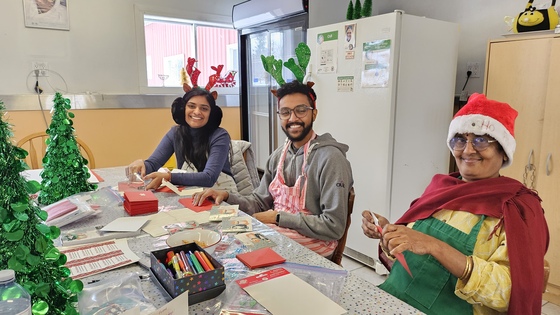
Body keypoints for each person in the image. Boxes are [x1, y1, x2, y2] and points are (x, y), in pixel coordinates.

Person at [361, 93, 549, 315]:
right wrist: (389, 235)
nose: (468, 150)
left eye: (481, 140)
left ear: (503, 149)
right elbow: (410, 256)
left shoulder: (518, 208)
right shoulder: (440, 189)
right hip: (396, 299)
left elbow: (512, 294)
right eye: (460, 139)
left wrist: (436, 246)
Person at [193, 80, 353, 258]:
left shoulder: (331, 159)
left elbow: (333, 227)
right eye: (285, 112)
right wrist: (227, 196)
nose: (292, 118)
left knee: (234, 251)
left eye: (301, 110)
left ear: (314, 113)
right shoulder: (279, 156)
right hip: (279, 233)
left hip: (315, 246)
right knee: (218, 239)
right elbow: (259, 203)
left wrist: (277, 218)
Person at [127, 88, 235, 191]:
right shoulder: (175, 132)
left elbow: (209, 177)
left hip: (222, 194)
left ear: (211, 113)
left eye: (204, 108)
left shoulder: (220, 136)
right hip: (190, 192)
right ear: (183, 109)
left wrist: (169, 177)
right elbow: (154, 163)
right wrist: (143, 165)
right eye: (191, 106)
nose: (197, 112)